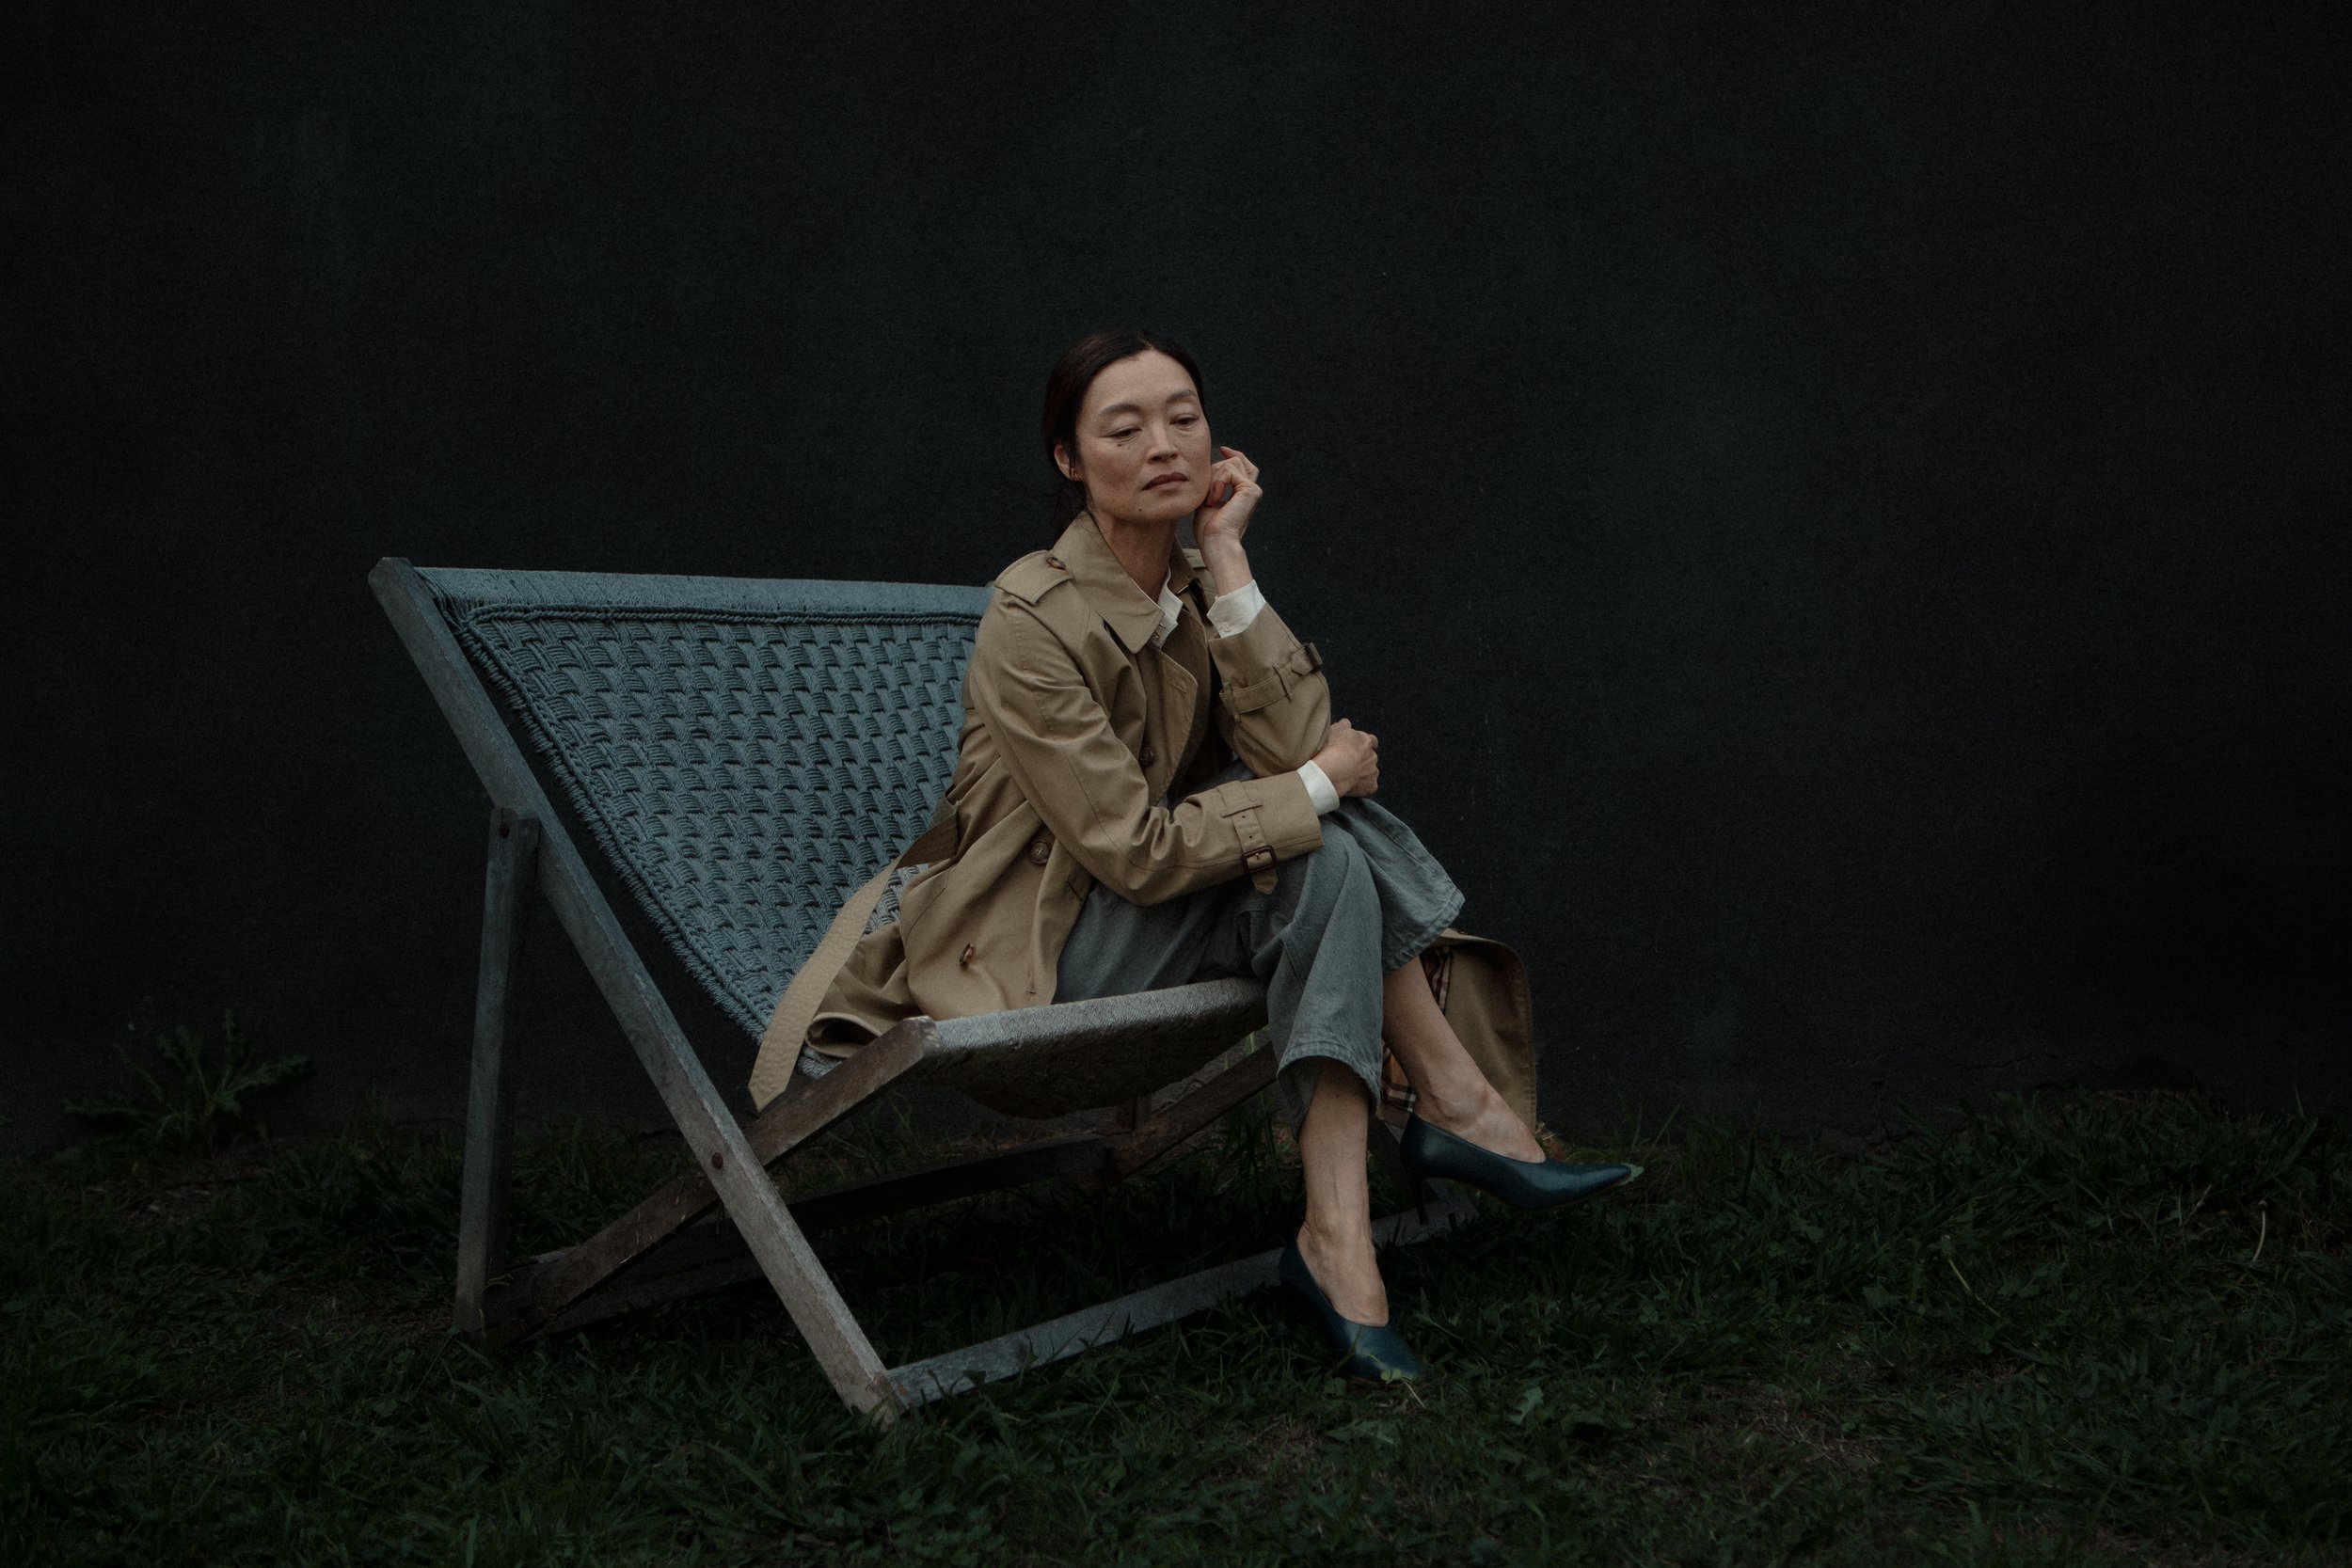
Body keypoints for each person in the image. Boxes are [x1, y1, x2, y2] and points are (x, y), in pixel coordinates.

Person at [793, 329, 1638, 1381]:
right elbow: (1142, 851)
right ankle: (1460, 1107)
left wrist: (1230, 560)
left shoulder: (1192, 586)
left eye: (1183, 416)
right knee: (1304, 815)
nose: (1164, 444)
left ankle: (1340, 1242)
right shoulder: (1031, 616)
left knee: (1319, 858)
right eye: (1123, 426)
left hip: (1143, 918)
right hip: (1032, 951)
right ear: (1067, 459)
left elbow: (1285, 744)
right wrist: (1318, 783)